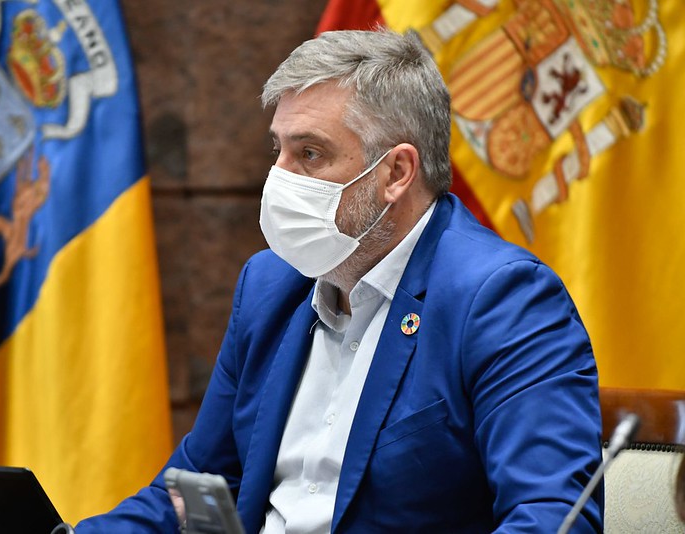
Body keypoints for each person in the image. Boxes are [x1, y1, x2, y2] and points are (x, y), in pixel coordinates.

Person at [76, 28, 603, 533]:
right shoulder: (269, 286)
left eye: (309, 154)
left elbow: (553, 514)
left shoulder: (501, 299)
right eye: (276, 150)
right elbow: (197, 488)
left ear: (396, 172)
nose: (278, 178)